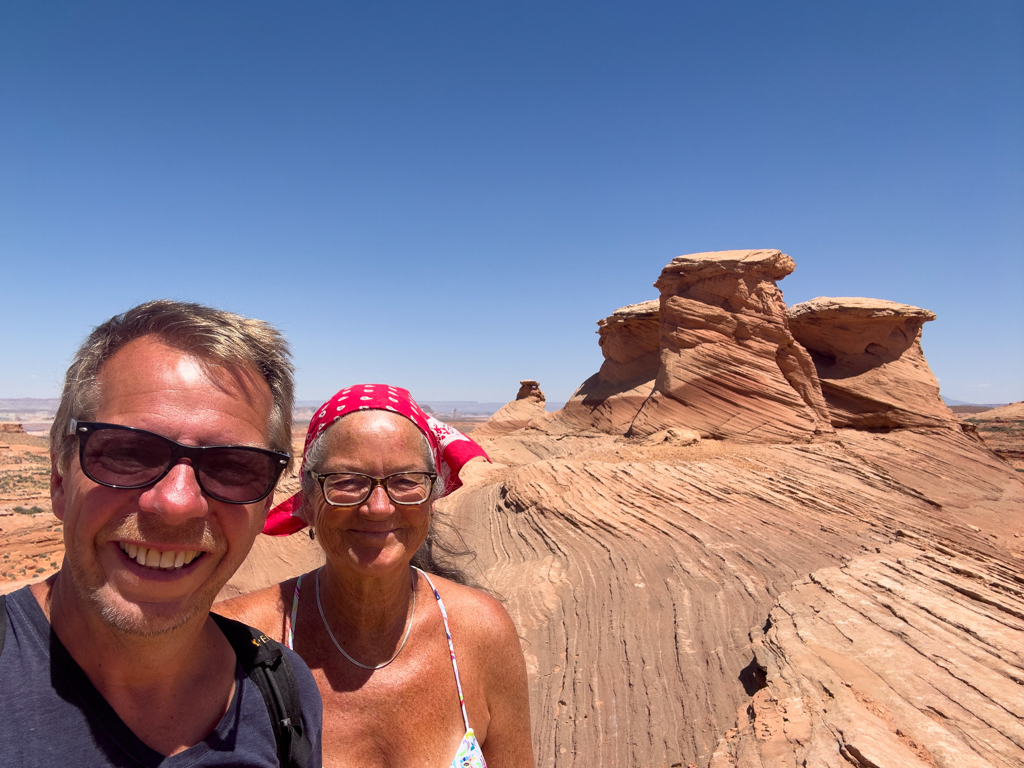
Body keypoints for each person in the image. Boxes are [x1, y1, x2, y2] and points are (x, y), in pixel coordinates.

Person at [0, 300, 323, 767]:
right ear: (59, 480)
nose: (176, 504)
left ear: (266, 504)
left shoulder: (281, 692)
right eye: (129, 453)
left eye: (234, 466)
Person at [217, 384, 534, 768]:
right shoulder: (239, 643)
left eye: (406, 481)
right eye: (347, 481)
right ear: (309, 496)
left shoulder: (482, 631)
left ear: (431, 497)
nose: (379, 508)